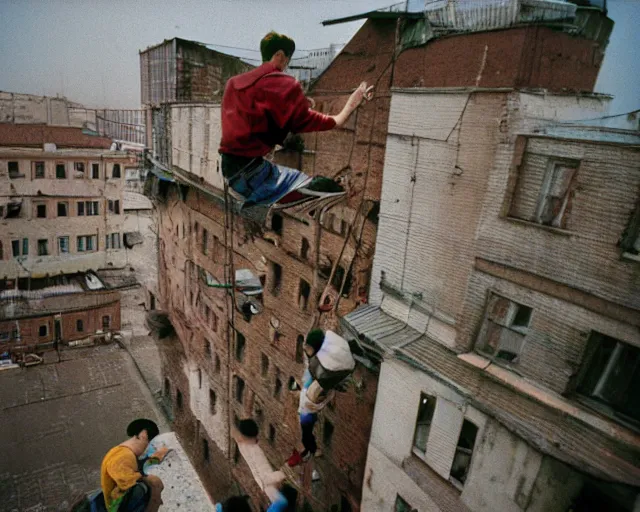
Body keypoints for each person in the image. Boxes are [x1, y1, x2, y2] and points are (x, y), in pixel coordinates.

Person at [219, 31, 373, 209]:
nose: (286, 66)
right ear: (279, 55)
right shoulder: (284, 83)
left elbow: (257, 109)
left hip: (229, 170)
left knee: (287, 176)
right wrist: (350, 106)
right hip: (252, 175)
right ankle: (257, 204)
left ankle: (257, 201)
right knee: (321, 185)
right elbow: (309, 121)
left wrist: (299, 103)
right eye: (287, 60)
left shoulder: (234, 83)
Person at [287, 329, 334, 467]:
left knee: (306, 432)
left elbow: (322, 384)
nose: (306, 349)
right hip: (307, 403)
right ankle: (310, 449)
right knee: (306, 430)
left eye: (309, 347)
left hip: (309, 405)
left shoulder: (318, 364)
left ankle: (312, 450)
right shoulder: (315, 360)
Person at [100, 418, 166, 512]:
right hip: (118, 507)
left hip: (120, 502)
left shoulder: (126, 452)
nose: (148, 449)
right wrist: (152, 487)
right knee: (154, 483)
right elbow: (127, 485)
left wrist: (159, 455)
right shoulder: (122, 457)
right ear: (143, 435)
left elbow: (142, 463)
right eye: (149, 444)